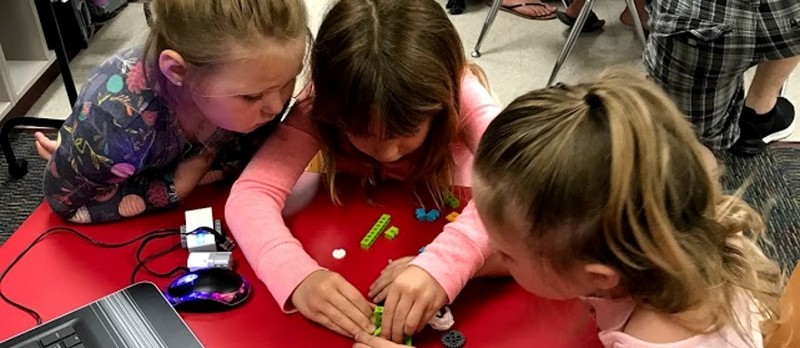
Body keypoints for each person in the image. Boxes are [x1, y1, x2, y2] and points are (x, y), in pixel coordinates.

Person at [353, 70, 783, 348]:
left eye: (506, 253)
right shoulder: (656, 242)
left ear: (597, 277)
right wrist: (447, 268)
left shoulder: (647, 341)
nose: (495, 256)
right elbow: (549, 258)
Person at [225, 0, 501, 343]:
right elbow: (250, 195)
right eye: (363, 133)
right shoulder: (324, 101)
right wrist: (295, 275)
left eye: (404, 134)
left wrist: (445, 263)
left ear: (440, 106)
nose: (386, 152)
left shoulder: (460, 94)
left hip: (452, 198)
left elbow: (520, 184)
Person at [37, 0, 309, 223]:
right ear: (178, 71)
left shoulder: (265, 78)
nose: (276, 106)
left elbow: (255, 153)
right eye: (253, 97)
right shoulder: (117, 125)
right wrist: (173, 187)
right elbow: (66, 204)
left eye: (289, 81)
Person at [645, 0, 799, 156]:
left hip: (702, 18)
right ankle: (759, 110)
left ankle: (759, 110)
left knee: (688, 141)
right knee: (685, 140)